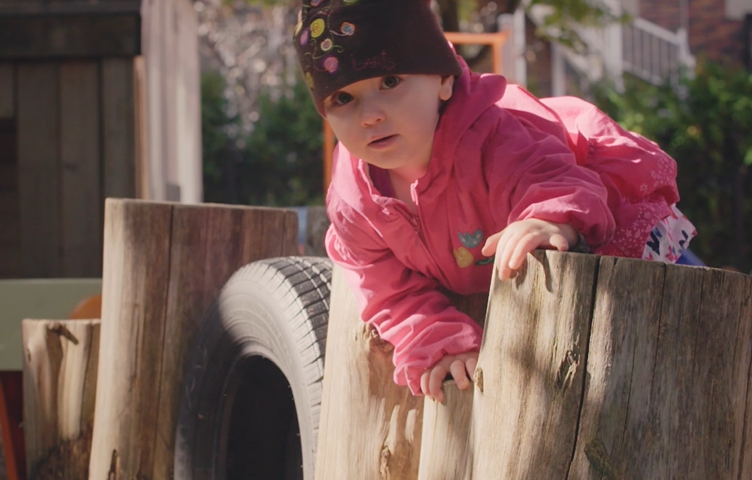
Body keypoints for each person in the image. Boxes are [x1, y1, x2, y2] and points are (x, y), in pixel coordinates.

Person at [293, 0, 695, 403]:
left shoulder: (493, 138)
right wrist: (442, 340)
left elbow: (548, 176)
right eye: (343, 99)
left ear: (444, 81)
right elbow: (384, 288)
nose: (369, 115)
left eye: (391, 82)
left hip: (618, 233)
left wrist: (549, 218)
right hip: (491, 278)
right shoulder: (354, 201)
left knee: (678, 339)